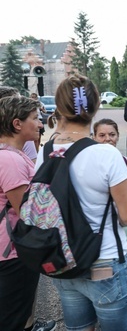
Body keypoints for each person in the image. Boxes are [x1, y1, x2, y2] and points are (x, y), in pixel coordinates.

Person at [36, 75, 127, 330]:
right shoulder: (107, 154)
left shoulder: (45, 151)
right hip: (105, 260)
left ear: (59, 107)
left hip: (64, 259)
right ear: (96, 106)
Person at [0, 96, 57, 331]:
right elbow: (29, 213)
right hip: (12, 253)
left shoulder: (10, 154)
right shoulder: (10, 159)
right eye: (35, 118)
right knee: (12, 318)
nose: (41, 123)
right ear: (17, 124)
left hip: (10, 250)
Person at [93, 118, 127, 242]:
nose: (107, 138)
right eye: (102, 135)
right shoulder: (91, 161)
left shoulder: (123, 159)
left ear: (117, 136)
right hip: (101, 224)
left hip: (122, 219)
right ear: (94, 137)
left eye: (112, 134)